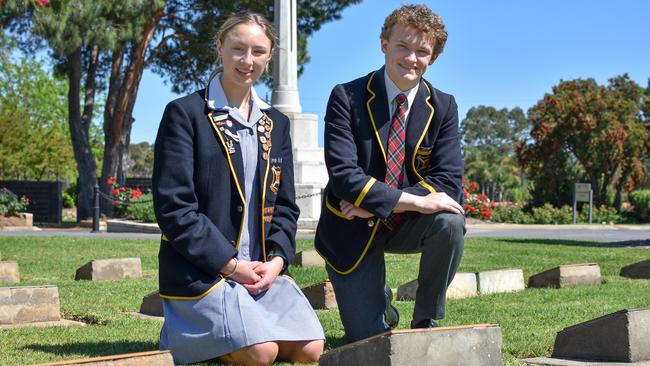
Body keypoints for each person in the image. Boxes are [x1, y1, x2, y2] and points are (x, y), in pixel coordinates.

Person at [152, 11, 324, 365]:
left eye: (258, 52)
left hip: (260, 273)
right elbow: (175, 209)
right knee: (262, 354)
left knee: (310, 350)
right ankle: (180, 332)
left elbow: (287, 207)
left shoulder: (275, 123)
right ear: (220, 48)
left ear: (270, 55)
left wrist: (276, 260)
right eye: (238, 49)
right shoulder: (184, 114)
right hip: (203, 274)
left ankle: (234, 329)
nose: (247, 61)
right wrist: (230, 266)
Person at [315, 4, 466, 343]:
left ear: (433, 58)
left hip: (399, 221)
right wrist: (408, 200)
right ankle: (380, 304)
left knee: (450, 222)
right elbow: (343, 176)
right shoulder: (347, 97)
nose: (411, 58)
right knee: (369, 338)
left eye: (422, 51)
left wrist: (386, 204)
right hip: (351, 224)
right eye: (403, 46)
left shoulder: (443, 106)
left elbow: (447, 181)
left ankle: (426, 319)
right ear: (384, 44)